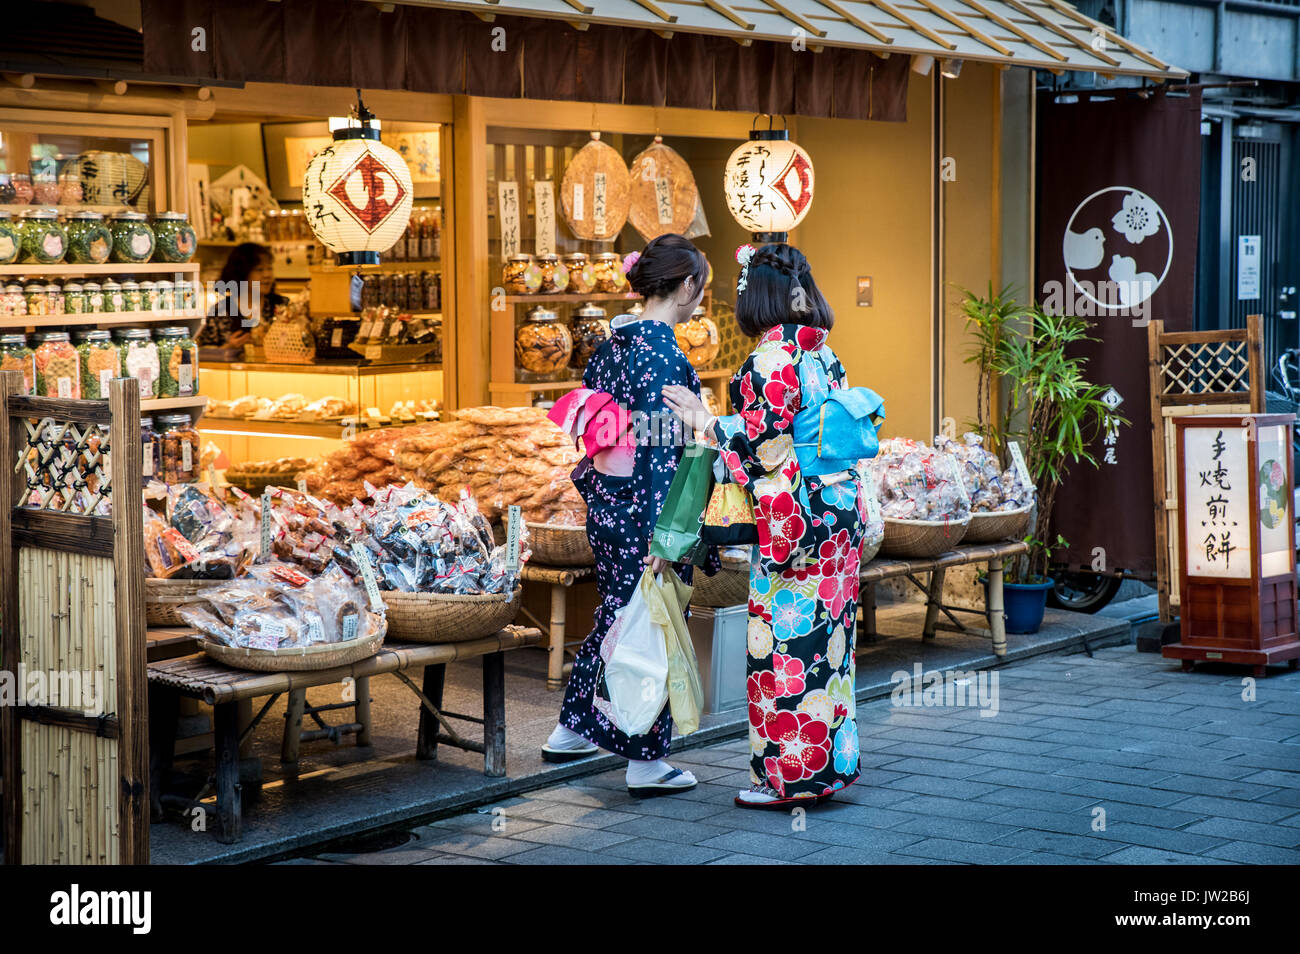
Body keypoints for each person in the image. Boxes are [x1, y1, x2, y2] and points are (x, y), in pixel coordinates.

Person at [663, 243, 873, 809]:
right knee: (829, 647)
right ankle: (831, 767)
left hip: (796, 519)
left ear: (754, 297)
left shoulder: (766, 363)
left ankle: (786, 778)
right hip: (838, 511)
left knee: (782, 646)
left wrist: (706, 423)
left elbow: (764, 450)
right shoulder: (824, 354)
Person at [541, 233, 716, 798]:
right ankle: (645, 760)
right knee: (655, 621)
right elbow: (665, 453)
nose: (700, 301)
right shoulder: (665, 356)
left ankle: (571, 729)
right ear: (687, 286)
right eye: (701, 290)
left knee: (618, 615)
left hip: (610, 501)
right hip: (650, 510)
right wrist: (669, 535)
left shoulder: (613, 344)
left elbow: (598, 427)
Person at [197, 242, 286, 347]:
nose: (267, 275)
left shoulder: (282, 307)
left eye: (269, 268)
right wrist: (228, 347)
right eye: (259, 269)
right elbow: (204, 355)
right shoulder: (219, 312)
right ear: (242, 273)